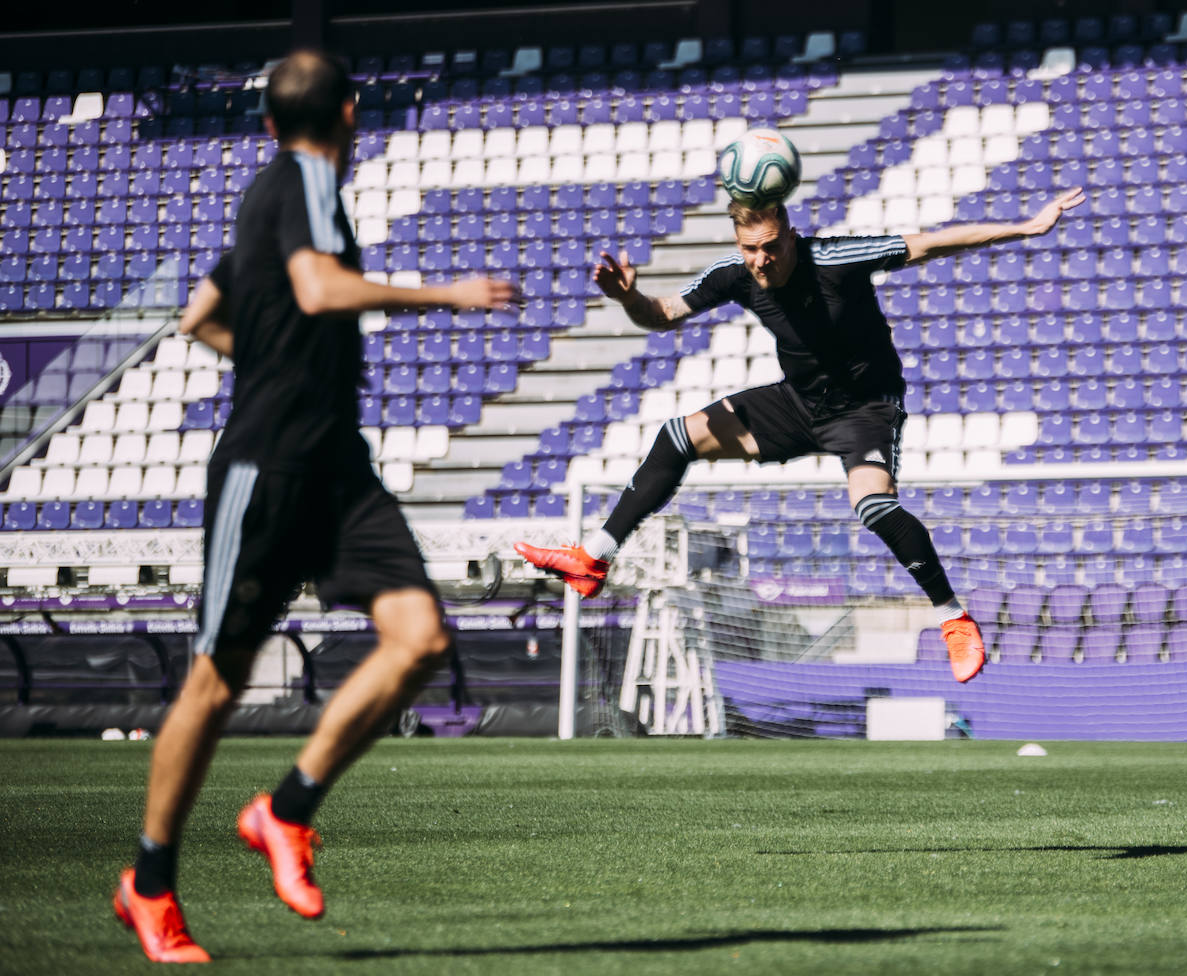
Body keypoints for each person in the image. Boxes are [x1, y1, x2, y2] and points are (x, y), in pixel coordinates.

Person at [112, 50, 518, 963]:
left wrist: (272, 361)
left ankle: (286, 810)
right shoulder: (303, 179)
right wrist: (445, 294)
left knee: (421, 640)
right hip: (267, 471)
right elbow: (318, 288)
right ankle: (150, 884)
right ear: (350, 113)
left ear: (267, 121)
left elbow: (200, 316)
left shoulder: (273, 196)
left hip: (337, 469)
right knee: (215, 684)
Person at [517, 187, 1085, 685]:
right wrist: (626, 299)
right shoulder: (735, 273)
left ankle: (953, 619)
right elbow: (663, 313)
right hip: (799, 402)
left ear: (790, 236)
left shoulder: (835, 258)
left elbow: (931, 243)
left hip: (865, 409)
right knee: (677, 436)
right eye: (750, 248)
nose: (760, 259)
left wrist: (1026, 227)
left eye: (770, 246)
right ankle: (593, 558)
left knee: (873, 506)